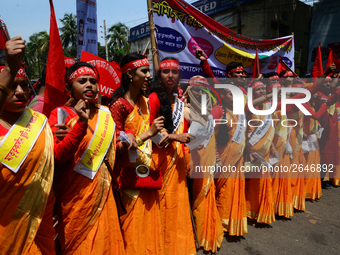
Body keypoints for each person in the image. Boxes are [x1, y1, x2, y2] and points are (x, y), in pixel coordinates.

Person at [49, 62, 125, 254]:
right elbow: (58, 156)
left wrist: (128, 141)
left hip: (103, 193)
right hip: (74, 198)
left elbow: (112, 151)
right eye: (82, 81)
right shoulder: (60, 115)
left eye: (93, 81)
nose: (89, 85)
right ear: (68, 88)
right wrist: (80, 124)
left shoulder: (105, 114)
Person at [0, 36, 55, 254]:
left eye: (24, 84)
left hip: (38, 228)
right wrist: (10, 69)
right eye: (12, 86)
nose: (21, 92)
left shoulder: (40, 121)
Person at [110, 53, 165, 255]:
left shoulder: (144, 101)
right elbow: (117, 146)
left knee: (149, 221)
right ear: (130, 75)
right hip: (128, 176)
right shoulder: (118, 106)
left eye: (148, 70)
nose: (149, 75)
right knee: (132, 224)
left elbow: (150, 134)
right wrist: (148, 133)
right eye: (144, 71)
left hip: (146, 170)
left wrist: (163, 134)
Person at [148, 57, 197, 255]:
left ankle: (176, 246)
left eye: (174, 72)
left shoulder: (178, 101)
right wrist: (177, 136)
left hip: (176, 160)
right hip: (159, 160)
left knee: (176, 204)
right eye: (165, 71)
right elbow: (148, 131)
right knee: (163, 205)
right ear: (159, 75)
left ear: (179, 76)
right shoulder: (153, 98)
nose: (170, 75)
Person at [183, 76, 224, 252]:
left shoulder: (207, 112)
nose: (201, 93)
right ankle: (193, 234)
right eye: (197, 90)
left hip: (205, 161)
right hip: (186, 161)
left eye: (204, 90)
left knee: (204, 195)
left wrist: (216, 156)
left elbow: (210, 136)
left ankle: (204, 233)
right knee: (188, 198)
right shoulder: (183, 110)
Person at [213, 86, 248, 236]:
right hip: (222, 158)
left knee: (235, 189)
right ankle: (219, 222)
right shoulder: (218, 111)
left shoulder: (240, 113)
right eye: (232, 94)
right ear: (223, 95)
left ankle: (232, 221)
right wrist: (216, 157)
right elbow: (209, 136)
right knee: (223, 191)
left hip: (237, 159)